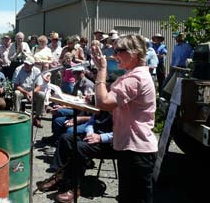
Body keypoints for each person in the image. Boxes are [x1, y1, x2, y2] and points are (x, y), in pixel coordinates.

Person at [91, 34, 158, 203]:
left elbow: (103, 102)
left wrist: (101, 70)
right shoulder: (135, 75)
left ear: (134, 53)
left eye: (118, 51)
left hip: (136, 150)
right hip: (133, 148)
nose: (114, 55)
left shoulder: (135, 78)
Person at [37, 111, 114, 203]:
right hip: (93, 136)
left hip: (110, 144)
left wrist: (100, 137)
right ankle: (60, 177)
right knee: (65, 138)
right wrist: (90, 133)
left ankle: (74, 187)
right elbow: (91, 122)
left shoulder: (121, 109)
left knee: (79, 147)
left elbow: (124, 134)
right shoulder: (103, 107)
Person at [12, 55, 45, 128]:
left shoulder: (37, 70)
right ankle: (17, 115)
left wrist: (32, 93)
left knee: (42, 95)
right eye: (25, 64)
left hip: (32, 91)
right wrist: (26, 93)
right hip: (21, 90)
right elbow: (16, 85)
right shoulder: (18, 69)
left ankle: (37, 118)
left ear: (32, 65)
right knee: (16, 93)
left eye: (28, 64)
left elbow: (39, 86)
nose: (26, 65)